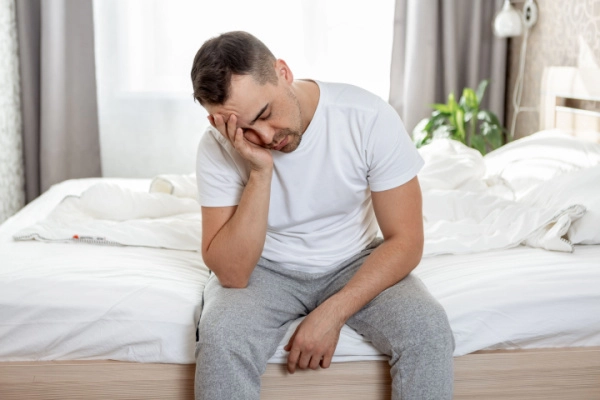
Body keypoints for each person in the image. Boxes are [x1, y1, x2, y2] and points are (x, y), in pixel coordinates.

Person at [190, 31, 454, 400]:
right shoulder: (217, 147)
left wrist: (332, 313)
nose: (265, 136)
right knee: (221, 336)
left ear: (283, 72)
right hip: (265, 269)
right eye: (245, 130)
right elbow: (233, 274)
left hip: (354, 260)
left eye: (265, 114)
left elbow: (407, 240)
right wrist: (260, 173)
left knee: (428, 328)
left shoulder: (367, 117)